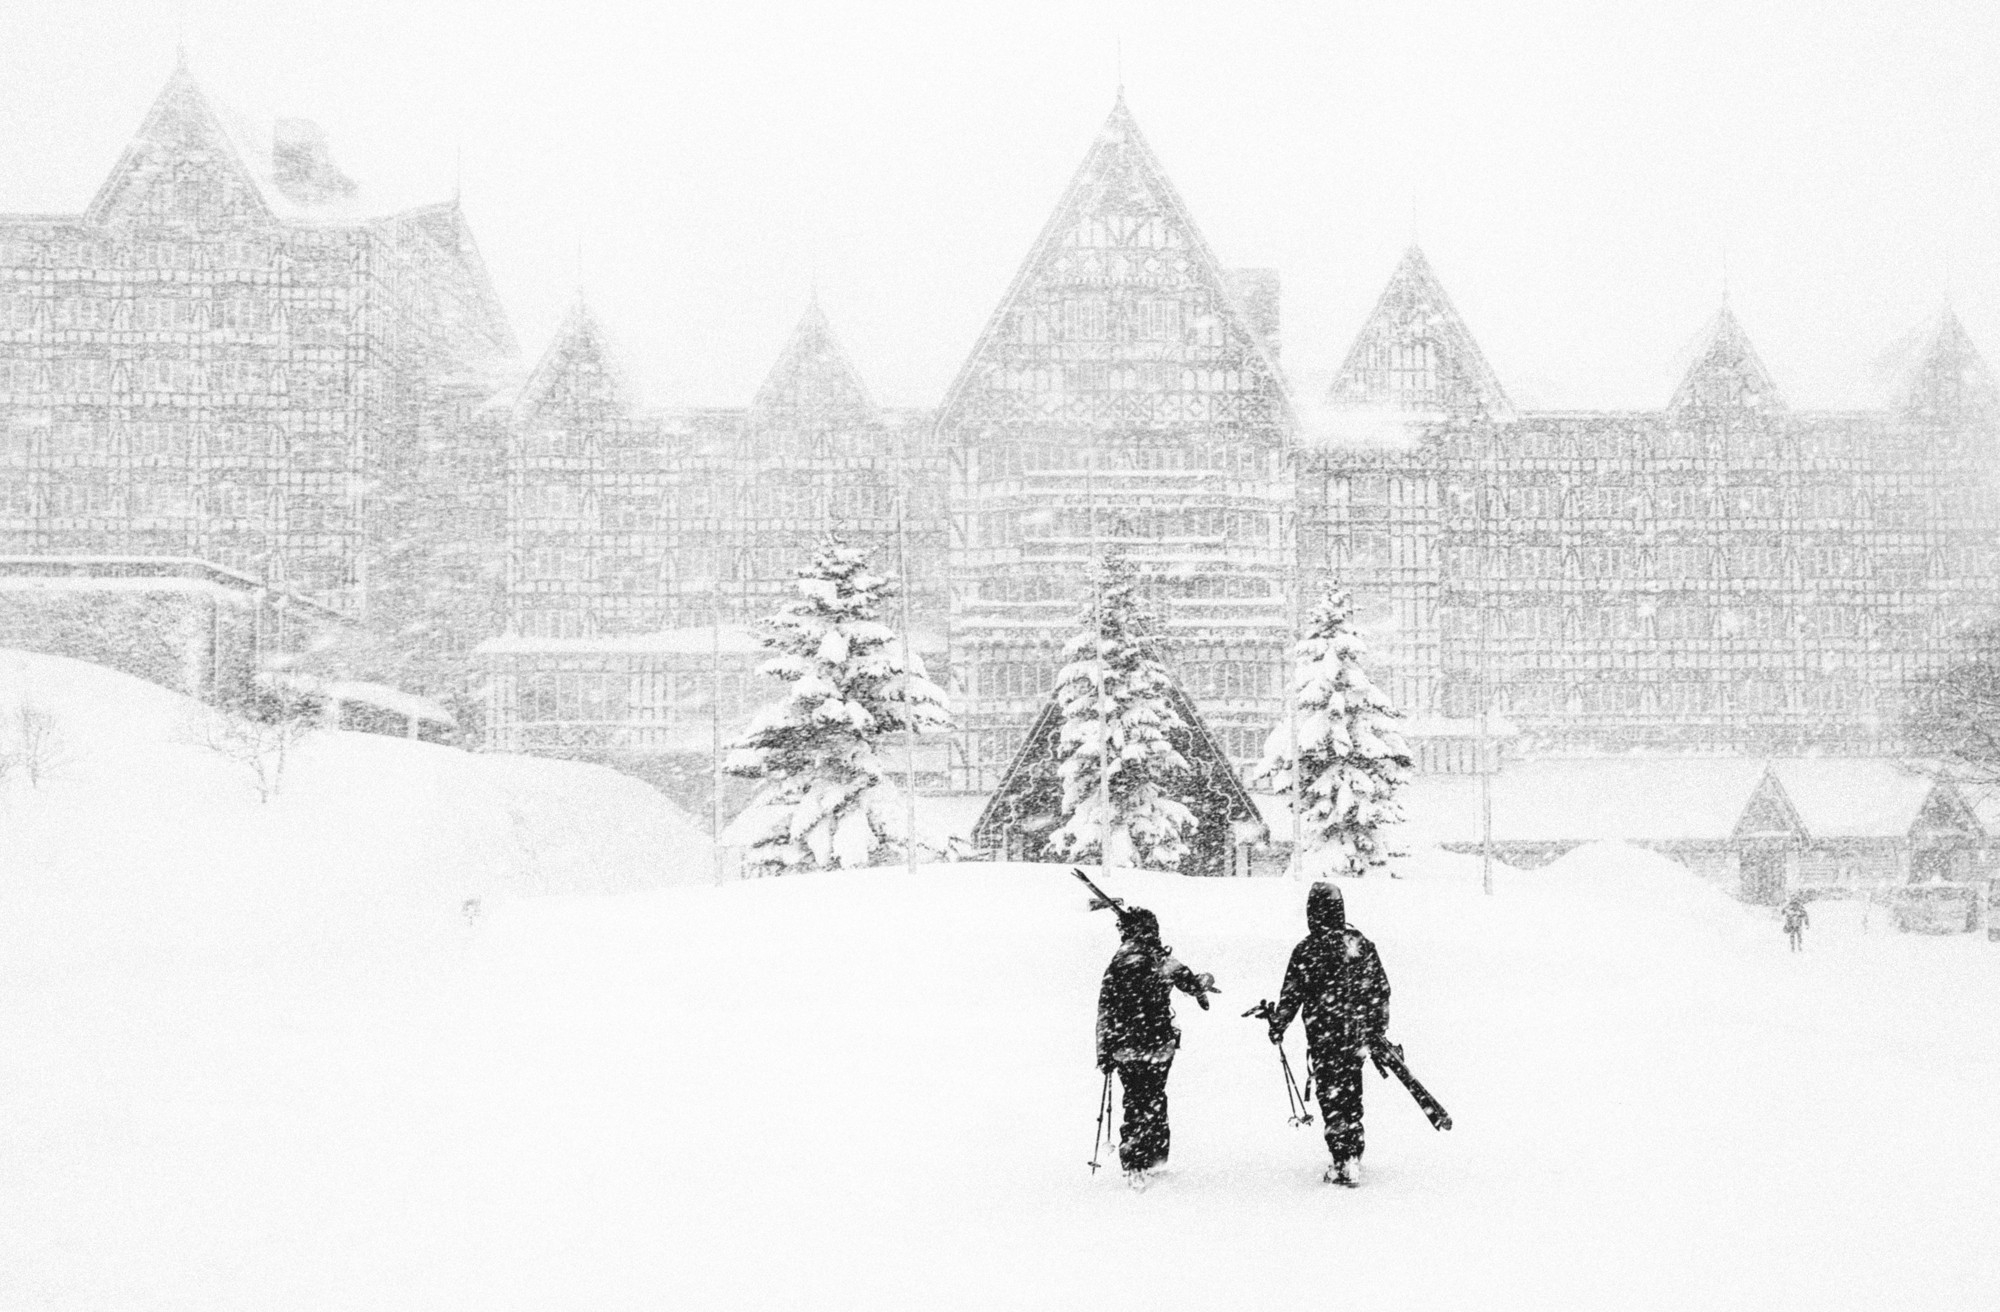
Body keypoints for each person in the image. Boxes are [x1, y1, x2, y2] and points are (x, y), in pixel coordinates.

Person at [1265, 882, 1391, 1187]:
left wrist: (1279, 1023)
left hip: (1323, 1039)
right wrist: (1377, 1028)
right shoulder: (1359, 944)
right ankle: (1353, 1155)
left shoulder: (1306, 950)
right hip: (1356, 1037)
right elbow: (1380, 990)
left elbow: (1291, 995)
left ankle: (1341, 1157)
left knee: (1332, 1099)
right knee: (1351, 1094)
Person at [1095, 905, 1218, 1187]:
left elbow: (1105, 1010)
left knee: (1134, 1100)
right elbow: (1190, 983)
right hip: (1158, 1044)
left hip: (1126, 1046)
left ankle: (1134, 1161)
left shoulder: (1118, 963)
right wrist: (1203, 984)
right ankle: (1155, 1157)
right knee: (1154, 1098)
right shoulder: (1162, 959)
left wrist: (1104, 1051)